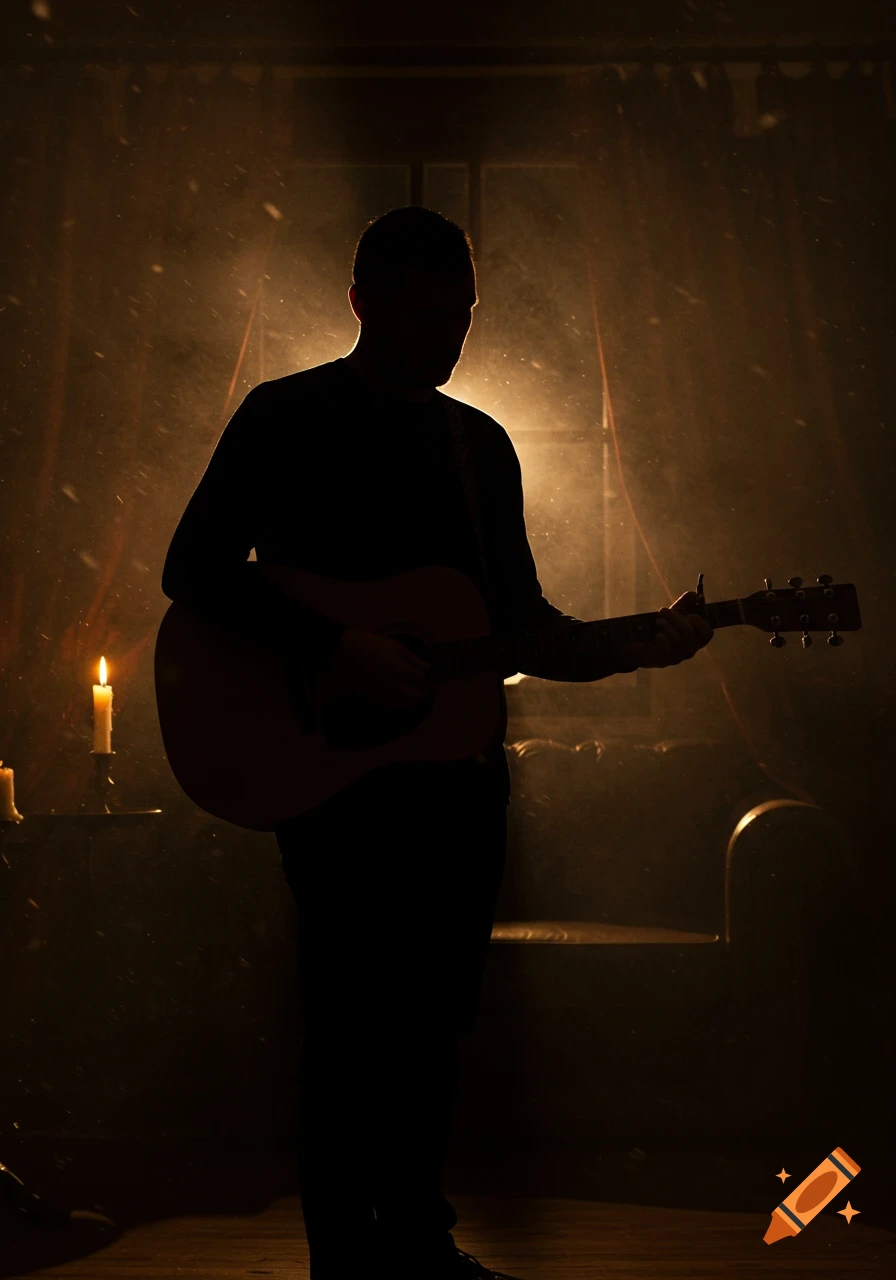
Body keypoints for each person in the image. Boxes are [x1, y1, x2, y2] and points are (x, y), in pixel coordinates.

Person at [160, 206, 713, 1280]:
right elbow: (194, 570)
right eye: (424, 314)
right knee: (352, 1020)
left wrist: (645, 645)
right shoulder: (287, 416)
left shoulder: (479, 445)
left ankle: (413, 1239)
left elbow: (522, 628)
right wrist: (340, 646)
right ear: (360, 300)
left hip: (457, 781)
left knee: (430, 1022)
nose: (447, 336)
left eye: (460, 315)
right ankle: (346, 1257)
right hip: (333, 778)